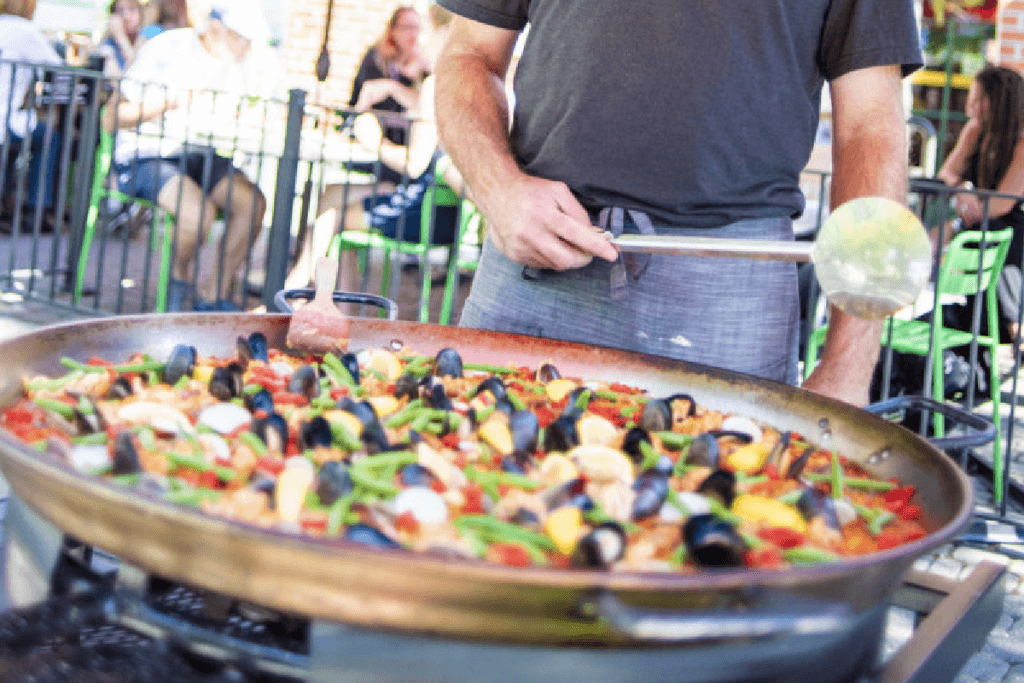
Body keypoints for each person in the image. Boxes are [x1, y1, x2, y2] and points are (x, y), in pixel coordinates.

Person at [433, 1, 922, 407]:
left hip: (730, 294)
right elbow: (469, 54)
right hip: (534, 267)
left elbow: (870, 127)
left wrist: (848, 368)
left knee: (724, 512)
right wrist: (498, 190)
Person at [285, 3, 465, 308]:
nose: (418, 38)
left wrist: (375, 142)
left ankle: (298, 294)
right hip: (449, 213)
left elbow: (415, 163)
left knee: (331, 215)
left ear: (441, 31)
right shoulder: (462, 80)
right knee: (332, 199)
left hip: (424, 213)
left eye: (422, 30)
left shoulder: (438, 80)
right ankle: (329, 304)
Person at [106, 0, 283, 311]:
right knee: (197, 213)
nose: (246, 48)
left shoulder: (236, 66)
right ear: (215, 28)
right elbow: (112, 117)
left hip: (201, 153)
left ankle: (213, 295)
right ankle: (178, 278)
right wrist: (167, 103)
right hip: (147, 153)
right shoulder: (168, 47)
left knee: (252, 204)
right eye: (240, 38)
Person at [936, 65, 1024, 343]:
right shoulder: (976, 131)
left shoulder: (1021, 142)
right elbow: (946, 174)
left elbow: (1003, 204)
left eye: (977, 99)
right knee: (972, 234)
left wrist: (966, 208)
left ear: (998, 102)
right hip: (984, 224)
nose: (969, 108)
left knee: (994, 239)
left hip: (1012, 231)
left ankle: (1013, 330)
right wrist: (963, 190)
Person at [0, 0, 63, 220]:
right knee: (49, 137)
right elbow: (58, 67)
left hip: (9, 118)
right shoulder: (22, 29)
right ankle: (38, 208)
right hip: (5, 120)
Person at [349, 6, 431, 153]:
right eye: (407, 27)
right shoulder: (376, 58)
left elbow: (425, 104)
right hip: (372, 137)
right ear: (393, 30)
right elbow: (372, 95)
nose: (413, 34)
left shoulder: (421, 64)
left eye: (417, 28)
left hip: (403, 144)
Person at [96, 0, 145, 77]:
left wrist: (121, 38)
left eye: (131, 9)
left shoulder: (147, 40)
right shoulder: (108, 45)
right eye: (120, 11)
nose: (126, 16)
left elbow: (139, 72)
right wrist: (120, 36)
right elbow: (116, 82)